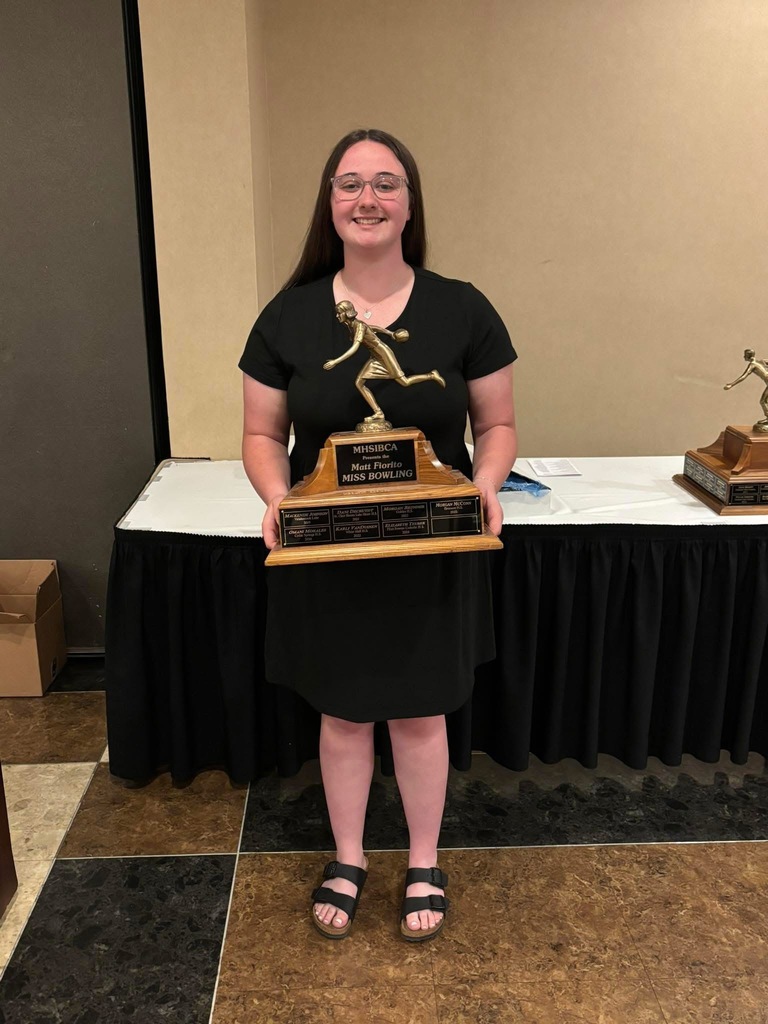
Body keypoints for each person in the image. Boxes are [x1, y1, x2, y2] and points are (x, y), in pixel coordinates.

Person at [240, 128, 517, 942]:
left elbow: (495, 422)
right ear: (329, 204)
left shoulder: (464, 307)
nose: (368, 198)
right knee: (345, 714)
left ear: (409, 204)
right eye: (350, 183)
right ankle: (352, 855)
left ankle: (424, 859)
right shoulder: (288, 314)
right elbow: (262, 435)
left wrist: (485, 488)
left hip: (432, 547)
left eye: (386, 184)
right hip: (329, 552)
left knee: (424, 714)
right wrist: (278, 498)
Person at [724, 349, 768, 431]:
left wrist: (731, 384)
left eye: (745, 355)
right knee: (764, 401)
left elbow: (743, 376)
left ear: (748, 356)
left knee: (763, 401)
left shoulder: (752, 365)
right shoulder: (761, 361)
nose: (744, 357)